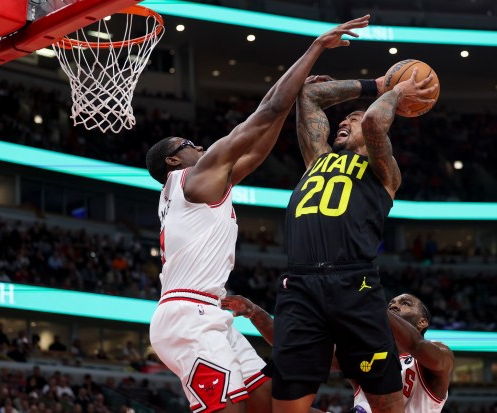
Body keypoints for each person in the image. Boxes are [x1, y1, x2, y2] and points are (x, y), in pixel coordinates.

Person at [145, 15, 372, 413]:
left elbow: (256, 147)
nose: (199, 146)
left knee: (271, 405)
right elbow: (264, 113)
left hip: (209, 313)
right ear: (172, 159)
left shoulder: (198, 187)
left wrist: (291, 104)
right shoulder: (192, 180)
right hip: (188, 316)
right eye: (189, 143)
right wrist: (315, 48)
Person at [270, 71, 438, 413]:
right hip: (300, 283)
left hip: (354, 281)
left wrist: (396, 91)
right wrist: (375, 86)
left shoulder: (384, 170)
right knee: (287, 400)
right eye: (344, 117)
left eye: (353, 118)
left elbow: (376, 121)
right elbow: (308, 97)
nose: (345, 119)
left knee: (384, 401)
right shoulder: (317, 160)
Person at [222, 292, 454, 413]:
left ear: (423, 321)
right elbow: (296, 348)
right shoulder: (365, 349)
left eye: (405, 303)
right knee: (264, 404)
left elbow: (416, 345)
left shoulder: (439, 353)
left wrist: (370, 302)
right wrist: (254, 312)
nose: (393, 305)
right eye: (391, 302)